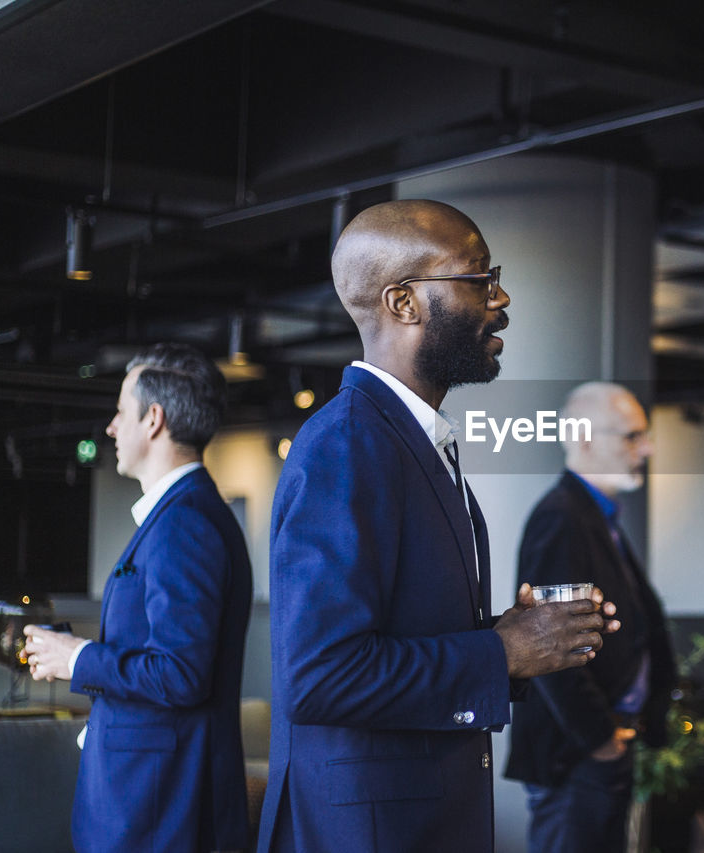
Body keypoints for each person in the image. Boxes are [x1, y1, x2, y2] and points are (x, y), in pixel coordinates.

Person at [257, 200, 618, 853]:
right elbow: (318, 675)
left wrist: (526, 644)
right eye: (479, 278)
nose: (501, 297)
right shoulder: (346, 442)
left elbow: (404, 640)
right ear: (402, 302)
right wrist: (500, 651)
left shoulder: (409, 440)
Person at [24, 343, 252, 853]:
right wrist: (71, 653)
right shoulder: (183, 515)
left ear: (154, 419)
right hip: (150, 803)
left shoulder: (184, 524)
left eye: (120, 412)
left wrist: (79, 658)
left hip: (159, 811)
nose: (110, 428)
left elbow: (180, 674)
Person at [504, 381, 677, 853]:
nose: (648, 448)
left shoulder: (597, 516)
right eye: (631, 435)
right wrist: (601, 740)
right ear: (583, 438)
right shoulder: (562, 517)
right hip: (576, 755)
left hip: (598, 749)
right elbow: (544, 646)